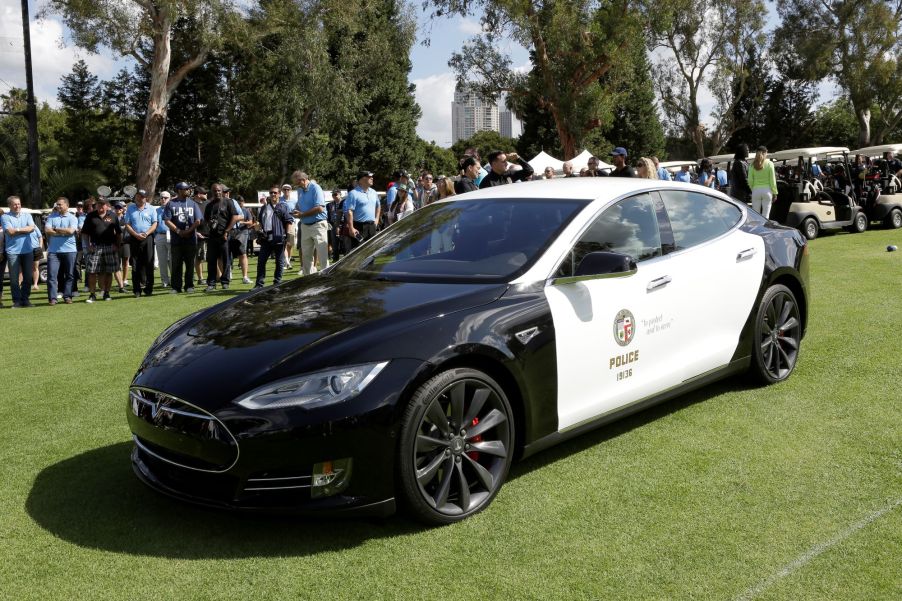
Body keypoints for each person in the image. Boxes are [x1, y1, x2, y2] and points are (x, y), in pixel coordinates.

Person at [163, 182, 203, 293]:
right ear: (179, 190)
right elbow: (167, 220)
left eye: (188, 189)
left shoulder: (193, 204)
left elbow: (198, 220)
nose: (188, 191)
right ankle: (176, 287)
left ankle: (189, 285)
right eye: (186, 189)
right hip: (177, 240)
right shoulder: (171, 204)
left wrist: (188, 231)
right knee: (176, 264)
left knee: (190, 264)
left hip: (190, 239)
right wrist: (178, 231)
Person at [81, 197, 122, 303]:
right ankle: (92, 295)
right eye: (99, 204)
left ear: (106, 205)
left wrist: (117, 245)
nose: (100, 206)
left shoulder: (113, 215)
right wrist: (88, 246)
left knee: (109, 271)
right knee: (92, 271)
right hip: (95, 246)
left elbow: (118, 233)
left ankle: (107, 293)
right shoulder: (91, 216)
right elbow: (84, 233)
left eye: (102, 204)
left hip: (109, 246)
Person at [203, 183, 240, 291]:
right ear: (212, 192)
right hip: (212, 236)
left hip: (224, 235)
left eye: (219, 190)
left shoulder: (228, 202)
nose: (217, 192)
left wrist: (227, 231)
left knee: (226, 259)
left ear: (222, 191)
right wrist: (209, 223)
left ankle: (225, 281)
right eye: (215, 191)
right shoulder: (209, 205)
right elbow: (205, 219)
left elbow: (235, 217)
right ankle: (211, 283)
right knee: (211, 260)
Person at [254, 186, 294, 287]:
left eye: (275, 193)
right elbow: (259, 222)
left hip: (279, 237)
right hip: (266, 238)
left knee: (279, 262)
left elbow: (289, 221)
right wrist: (258, 230)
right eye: (271, 193)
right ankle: (259, 284)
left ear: (279, 194)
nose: (273, 194)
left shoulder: (283, 206)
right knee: (261, 261)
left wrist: (288, 237)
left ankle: (277, 283)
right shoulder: (264, 207)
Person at [1, 195, 36, 307]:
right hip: (12, 252)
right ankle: (16, 301)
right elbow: (9, 232)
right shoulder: (5, 217)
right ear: (10, 205)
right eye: (15, 204)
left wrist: (17, 230)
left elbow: (32, 228)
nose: (17, 206)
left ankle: (25, 299)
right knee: (14, 278)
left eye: (19, 204)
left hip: (27, 250)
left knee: (27, 277)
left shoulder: (27, 215)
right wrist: (24, 230)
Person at [293, 170, 328, 276]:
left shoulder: (316, 188)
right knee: (306, 256)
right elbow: (302, 206)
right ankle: (307, 280)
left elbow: (320, 208)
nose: (296, 186)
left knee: (322, 257)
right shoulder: (300, 190)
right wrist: (296, 210)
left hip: (318, 225)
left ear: (303, 180)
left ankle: (326, 280)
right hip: (305, 226)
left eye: (297, 183)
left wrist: (302, 215)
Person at [124, 189, 158, 297]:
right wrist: (135, 234)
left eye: (142, 196)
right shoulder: (130, 208)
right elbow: (127, 224)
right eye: (138, 196)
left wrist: (147, 233)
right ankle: (137, 290)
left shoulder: (151, 208)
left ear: (146, 198)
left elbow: (154, 223)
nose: (140, 198)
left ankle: (149, 289)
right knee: (135, 264)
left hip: (148, 238)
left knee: (149, 263)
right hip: (134, 238)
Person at [45, 197, 78, 305]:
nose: (58, 206)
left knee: (69, 275)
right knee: (52, 276)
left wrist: (56, 229)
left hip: (70, 250)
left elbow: (71, 231)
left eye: (60, 204)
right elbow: (47, 230)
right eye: (57, 205)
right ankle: (53, 298)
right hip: (54, 251)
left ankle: (67, 296)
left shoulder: (73, 218)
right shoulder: (51, 217)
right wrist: (63, 232)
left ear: (67, 206)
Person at [346, 170, 381, 247]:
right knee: (359, 252)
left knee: (372, 251)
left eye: (372, 176)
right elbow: (349, 212)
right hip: (359, 227)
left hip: (372, 226)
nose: (372, 178)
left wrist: (377, 219)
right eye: (369, 177)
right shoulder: (353, 193)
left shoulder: (374, 192)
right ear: (361, 179)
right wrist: (351, 228)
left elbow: (378, 205)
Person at [229, 195, 254, 284]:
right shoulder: (232, 209)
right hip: (232, 232)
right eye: (239, 202)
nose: (241, 204)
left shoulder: (246, 210)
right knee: (229, 253)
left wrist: (242, 222)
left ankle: (245, 276)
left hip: (243, 232)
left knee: (242, 253)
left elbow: (251, 222)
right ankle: (229, 272)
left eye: (242, 202)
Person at [748, 146, 778, 218]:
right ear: (765, 153)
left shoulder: (752, 165)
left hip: (756, 190)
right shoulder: (770, 164)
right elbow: (772, 180)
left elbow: (750, 180)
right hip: (767, 191)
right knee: (766, 215)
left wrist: (753, 188)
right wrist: (775, 192)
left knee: (756, 215)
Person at [154, 190, 172, 288]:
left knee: (173, 259)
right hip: (160, 235)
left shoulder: (173, 209)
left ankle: (175, 279)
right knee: (162, 260)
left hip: (171, 235)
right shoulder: (156, 210)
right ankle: (165, 281)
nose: (163, 199)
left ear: (170, 198)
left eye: (166, 197)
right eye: (162, 197)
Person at [280, 183, 298, 269]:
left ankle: (288, 260)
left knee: (290, 244)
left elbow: (297, 211)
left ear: (290, 191)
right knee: (284, 243)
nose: (286, 191)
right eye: (284, 189)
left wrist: (293, 213)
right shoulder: (280, 200)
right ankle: (286, 262)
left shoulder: (294, 201)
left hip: (291, 223)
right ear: (282, 191)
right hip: (281, 224)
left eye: (288, 189)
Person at [193, 185, 208, 283]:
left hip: (209, 234)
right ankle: (200, 278)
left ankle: (216, 276)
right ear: (198, 194)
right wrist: (195, 232)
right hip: (198, 236)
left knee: (211, 257)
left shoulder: (207, 203)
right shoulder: (191, 204)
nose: (206, 194)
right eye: (204, 193)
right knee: (199, 257)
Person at [114, 201, 130, 292]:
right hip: (116, 243)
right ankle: (119, 281)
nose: (118, 210)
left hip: (125, 242)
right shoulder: (112, 218)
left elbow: (128, 227)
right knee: (117, 263)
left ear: (122, 209)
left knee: (126, 262)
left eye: (119, 208)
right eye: (116, 208)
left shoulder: (126, 218)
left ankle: (124, 280)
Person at [327, 189, 345, 262]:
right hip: (333, 225)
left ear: (340, 195)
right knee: (334, 243)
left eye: (335, 194)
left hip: (343, 224)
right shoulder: (329, 205)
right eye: (333, 195)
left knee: (344, 242)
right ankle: (335, 259)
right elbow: (328, 215)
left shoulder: (344, 203)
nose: (334, 196)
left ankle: (345, 258)